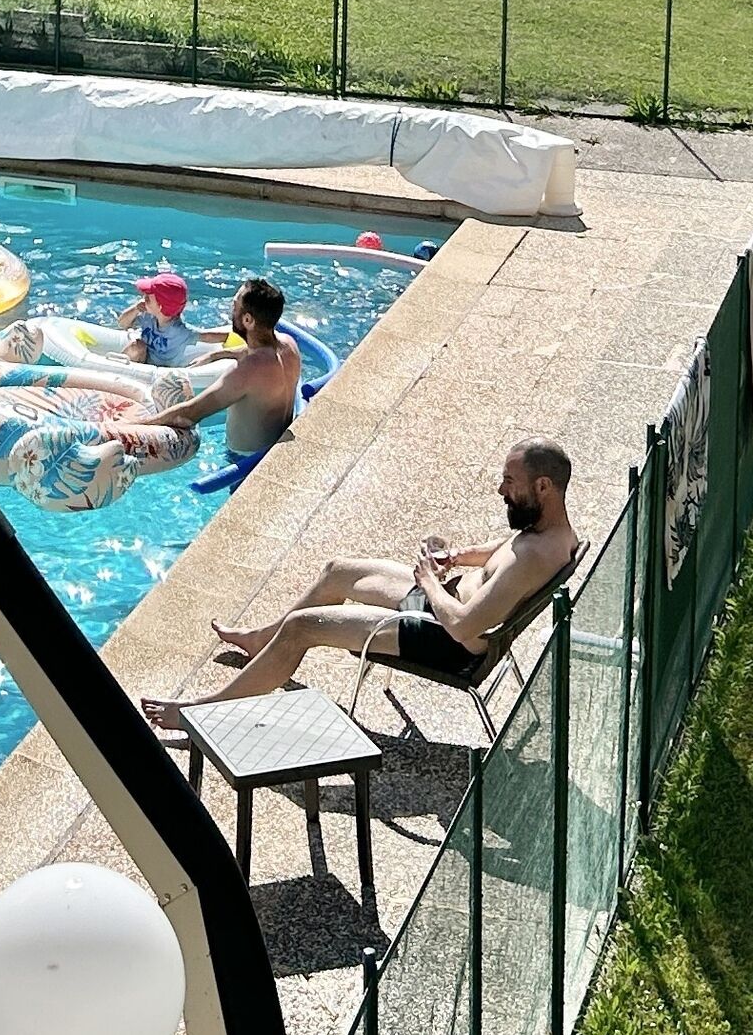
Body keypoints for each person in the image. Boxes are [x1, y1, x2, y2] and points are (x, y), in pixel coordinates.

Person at [144, 437, 577, 726]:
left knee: (303, 628)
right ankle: (262, 640)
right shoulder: (545, 530)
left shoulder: (537, 554)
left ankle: (202, 713)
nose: (501, 490)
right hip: (439, 608)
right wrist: (458, 557)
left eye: (509, 482)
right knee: (339, 570)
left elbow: (464, 628)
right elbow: (501, 553)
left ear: (542, 486)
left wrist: (427, 582)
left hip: (443, 640)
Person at [104, 276, 300, 462]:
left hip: (245, 461)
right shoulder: (288, 345)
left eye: (234, 306)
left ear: (248, 320)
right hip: (278, 448)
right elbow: (256, 352)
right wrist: (216, 354)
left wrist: (131, 427)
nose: (230, 310)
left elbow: (189, 414)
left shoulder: (246, 372)